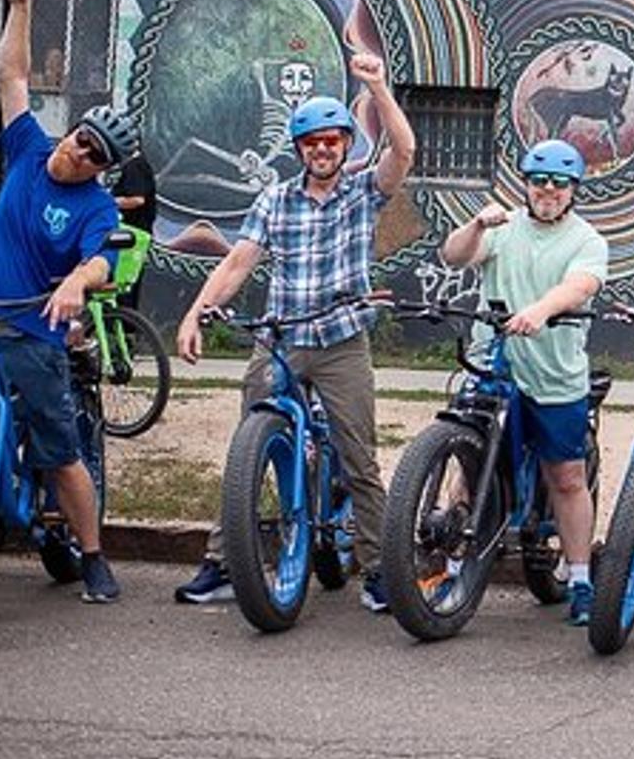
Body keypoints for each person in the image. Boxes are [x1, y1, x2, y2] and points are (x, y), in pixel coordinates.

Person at [171, 58, 417, 611]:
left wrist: (377, 86)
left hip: (341, 342)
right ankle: (224, 563)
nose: (322, 150)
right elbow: (237, 262)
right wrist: (194, 315)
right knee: (247, 450)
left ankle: (378, 570)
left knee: (359, 457)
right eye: (311, 142)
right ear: (299, 148)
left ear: (346, 144)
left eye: (331, 140)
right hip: (280, 340)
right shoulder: (275, 199)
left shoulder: (363, 191)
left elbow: (403, 152)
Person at [0, 0, 130, 604]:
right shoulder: (28, 146)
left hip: (34, 331)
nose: (79, 152)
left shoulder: (97, 207)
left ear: (100, 170)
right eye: (82, 138)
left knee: (60, 451)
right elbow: (12, 75)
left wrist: (79, 279)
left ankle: (94, 555)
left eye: (94, 155)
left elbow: (102, 258)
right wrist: (22, 4)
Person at [437, 138, 608, 625]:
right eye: (539, 181)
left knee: (566, 477)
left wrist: (541, 310)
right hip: (491, 364)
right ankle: (453, 569)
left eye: (559, 183)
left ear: (573, 189)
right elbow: (453, 256)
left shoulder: (587, 240)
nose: (548, 190)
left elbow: (580, 286)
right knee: (468, 469)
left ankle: (580, 579)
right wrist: (476, 225)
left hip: (553, 374)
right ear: (527, 184)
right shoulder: (503, 226)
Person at [109, 149, 157, 309]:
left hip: (132, 233)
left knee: (122, 283)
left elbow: (137, 199)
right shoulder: (134, 165)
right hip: (131, 233)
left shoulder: (134, 165)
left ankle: (121, 318)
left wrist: (107, 201)